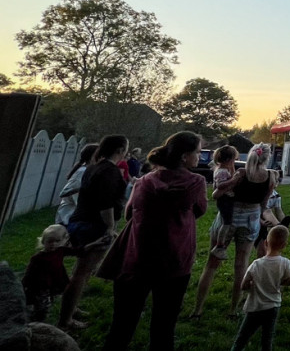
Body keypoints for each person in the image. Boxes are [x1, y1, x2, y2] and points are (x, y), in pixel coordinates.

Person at [101, 131, 207, 351]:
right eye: (197, 152)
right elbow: (200, 210)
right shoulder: (196, 182)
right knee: (164, 326)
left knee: (122, 324)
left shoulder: (144, 181)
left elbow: (130, 212)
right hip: (175, 260)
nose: (199, 157)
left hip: (137, 257)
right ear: (185, 156)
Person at [189, 143, 276, 319]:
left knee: (211, 264)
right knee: (241, 266)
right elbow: (263, 205)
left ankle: (197, 310)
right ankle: (234, 310)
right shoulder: (270, 177)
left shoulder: (240, 173)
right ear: (267, 158)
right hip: (251, 221)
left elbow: (218, 193)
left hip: (228, 220)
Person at [59, 134, 129, 330]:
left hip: (80, 220)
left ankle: (72, 308)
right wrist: (110, 227)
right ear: (119, 150)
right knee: (82, 272)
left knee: (80, 271)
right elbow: (105, 203)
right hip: (94, 225)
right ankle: (66, 320)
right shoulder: (110, 171)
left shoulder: (92, 168)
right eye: (125, 149)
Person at [229, 225, 290, 351]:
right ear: (284, 245)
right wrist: (280, 282)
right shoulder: (285, 263)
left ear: (265, 243)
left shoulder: (256, 264)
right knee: (267, 339)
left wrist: (250, 285)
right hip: (273, 307)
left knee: (242, 338)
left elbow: (243, 286)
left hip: (255, 307)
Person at [22, 224, 72, 322]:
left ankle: (40, 317)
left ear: (63, 241)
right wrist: (23, 285)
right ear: (43, 241)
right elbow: (29, 273)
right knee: (41, 305)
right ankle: (37, 321)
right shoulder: (37, 258)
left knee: (50, 300)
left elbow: (78, 251)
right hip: (41, 285)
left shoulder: (59, 251)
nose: (53, 244)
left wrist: (93, 244)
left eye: (57, 241)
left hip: (54, 282)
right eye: (50, 241)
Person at [55, 143, 99, 226]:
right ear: (91, 157)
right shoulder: (82, 172)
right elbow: (78, 199)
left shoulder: (87, 171)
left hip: (73, 218)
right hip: (68, 218)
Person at [211, 146, 239, 260]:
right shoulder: (222, 171)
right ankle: (219, 246)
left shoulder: (222, 169)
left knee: (227, 221)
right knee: (226, 222)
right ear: (229, 159)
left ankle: (221, 242)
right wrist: (234, 180)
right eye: (234, 159)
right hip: (225, 200)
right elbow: (220, 186)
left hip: (227, 199)